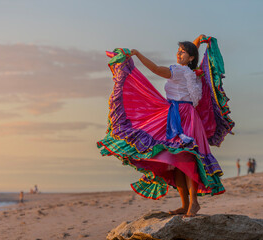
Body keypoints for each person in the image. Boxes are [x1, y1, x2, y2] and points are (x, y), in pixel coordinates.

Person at [97, 34, 234, 218]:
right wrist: (196, 42)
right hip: (176, 115)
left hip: (186, 117)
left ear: (191, 57)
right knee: (176, 162)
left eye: (182, 52)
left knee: (187, 158)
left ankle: (194, 203)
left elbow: (155, 68)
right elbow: (188, 55)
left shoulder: (183, 72)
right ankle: (185, 205)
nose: (179, 54)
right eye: (178, 51)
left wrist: (137, 53)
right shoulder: (187, 71)